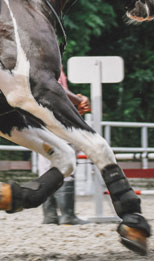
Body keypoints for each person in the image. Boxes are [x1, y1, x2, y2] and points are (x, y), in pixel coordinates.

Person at [39, 68, 91, 225]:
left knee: (46, 167)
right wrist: (79, 100)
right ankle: (68, 215)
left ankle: (50, 215)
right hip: (59, 120)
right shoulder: (50, 64)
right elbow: (56, 90)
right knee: (66, 164)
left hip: (41, 121)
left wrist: (75, 100)